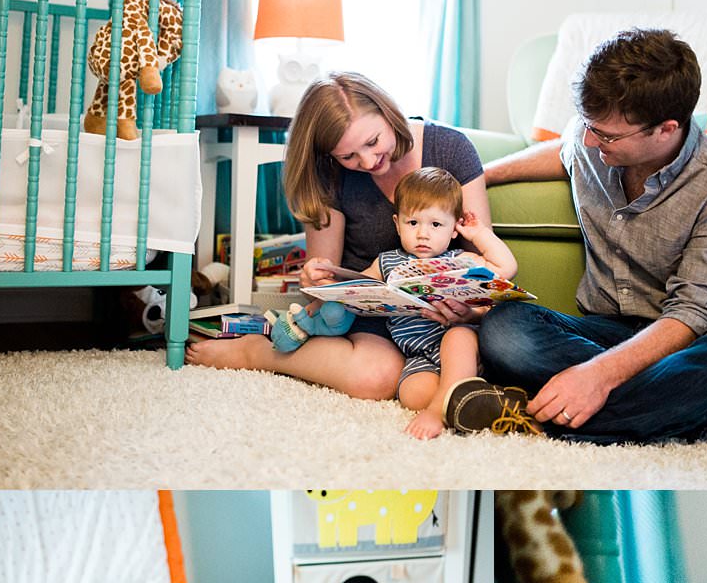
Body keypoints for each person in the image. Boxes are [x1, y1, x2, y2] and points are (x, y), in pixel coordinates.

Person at [475, 29, 707, 448]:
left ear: (665, 129)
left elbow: (695, 313)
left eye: (606, 135)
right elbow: (564, 151)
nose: (589, 140)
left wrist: (597, 377)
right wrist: (478, 178)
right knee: (503, 327)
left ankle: (539, 418)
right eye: (589, 126)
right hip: (597, 333)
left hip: (683, 344)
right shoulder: (592, 140)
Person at [185, 72, 501, 407]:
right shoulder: (328, 172)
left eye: (372, 142)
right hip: (368, 309)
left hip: (439, 315)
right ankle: (257, 351)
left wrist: (469, 312)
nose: (367, 162)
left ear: (387, 112)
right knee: (375, 378)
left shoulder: (451, 148)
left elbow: (482, 257)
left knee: (457, 371)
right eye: (348, 157)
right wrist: (316, 276)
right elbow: (326, 274)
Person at [311, 164, 524, 440]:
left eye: (436, 225)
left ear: (454, 229)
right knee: (411, 394)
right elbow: (358, 287)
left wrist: (479, 233)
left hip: (462, 347)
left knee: (457, 337)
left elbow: (506, 267)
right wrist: (327, 278)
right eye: (413, 223)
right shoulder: (386, 262)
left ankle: (439, 409)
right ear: (397, 223)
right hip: (418, 356)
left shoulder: (459, 260)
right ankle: (477, 399)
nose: (423, 234)